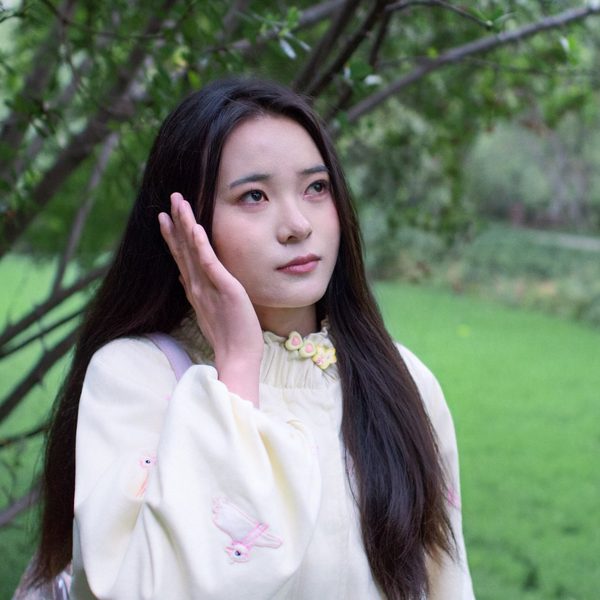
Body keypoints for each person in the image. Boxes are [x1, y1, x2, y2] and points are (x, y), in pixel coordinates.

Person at [20, 78, 475, 599]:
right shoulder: (136, 377)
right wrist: (237, 365)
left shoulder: (405, 380)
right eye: (253, 196)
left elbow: (447, 584)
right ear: (185, 224)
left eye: (316, 188)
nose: (297, 225)